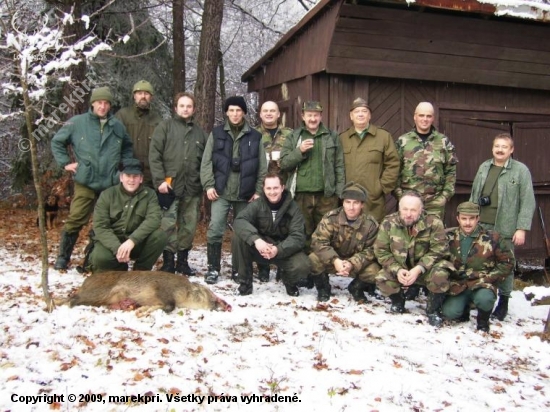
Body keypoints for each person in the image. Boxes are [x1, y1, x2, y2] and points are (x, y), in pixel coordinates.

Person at [51, 86, 133, 270]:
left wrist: (124, 169)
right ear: (93, 103)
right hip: (85, 180)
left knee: (105, 221)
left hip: (110, 182)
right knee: (76, 217)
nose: (102, 106)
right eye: (99, 103)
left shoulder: (117, 125)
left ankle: (91, 258)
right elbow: (57, 141)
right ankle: (63, 257)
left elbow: (127, 147)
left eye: (106, 103)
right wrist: (65, 163)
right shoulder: (77, 122)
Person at [200, 96, 267, 284]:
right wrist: (209, 185)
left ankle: (239, 269)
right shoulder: (216, 133)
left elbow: (262, 166)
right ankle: (213, 268)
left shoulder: (255, 136)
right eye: (231, 110)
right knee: (215, 228)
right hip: (221, 191)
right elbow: (206, 162)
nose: (235, 114)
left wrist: (258, 190)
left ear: (244, 112)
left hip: (245, 194)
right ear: (227, 112)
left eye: (239, 110)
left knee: (242, 232)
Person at [470, 133, 535, 321]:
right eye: (497, 146)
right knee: (479, 261)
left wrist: (521, 228)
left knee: (505, 265)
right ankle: (480, 297)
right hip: (482, 225)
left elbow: (527, 201)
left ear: (511, 150)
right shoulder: (484, 167)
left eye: (504, 147)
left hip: (505, 227)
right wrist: (470, 219)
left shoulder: (520, 171)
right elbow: (475, 195)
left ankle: (503, 301)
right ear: (492, 148)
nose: (500, 149)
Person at [149, 92, 208, 275]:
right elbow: (155, 155)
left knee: (188, 226)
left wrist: (203, 183)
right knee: (167, 224)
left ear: (194, 109)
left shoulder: (200, 133)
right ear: (176, 108)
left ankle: (183, 261)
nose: (185, 109)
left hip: (192, 187)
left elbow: (206, 161)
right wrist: (159, 180)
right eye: (182, 106)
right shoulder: (164, 127)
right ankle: (168, 261)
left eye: (189, 106)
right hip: (169, 186)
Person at [374, 191, 453, 326]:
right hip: (401, 269)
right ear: (399, 208)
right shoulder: (388, 223)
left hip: (425, 270)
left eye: (413, 210)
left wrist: (419, 268)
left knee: (440, 274)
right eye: (405, 209)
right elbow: (381, 251)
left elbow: (439, 250)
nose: (408, 214)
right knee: (382, 278)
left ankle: (433, 310)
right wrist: (397, 269)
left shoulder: (434, 223)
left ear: (421, 210)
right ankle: (398, 302)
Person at [232, 172, 311, 296]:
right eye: (268, 188)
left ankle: (289, 281)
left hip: (283, 250)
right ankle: (245, 283)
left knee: (303, 266)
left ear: (282, 188)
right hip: (261, 248)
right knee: (239, 237)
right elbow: (239, 221)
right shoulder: (257, 204)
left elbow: (298, 237)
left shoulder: (293, 208)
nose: (272, 192)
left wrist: (277, 249)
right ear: (263, 189)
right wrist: (257, 240)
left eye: (275, 188)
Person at [280, 101, 345, 249]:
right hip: (301, 196)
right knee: (302, 233)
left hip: (327, 196)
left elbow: (339, 165)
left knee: (327, 234)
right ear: (303, 116)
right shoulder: (294, 136)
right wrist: (299, 151)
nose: (313, 119)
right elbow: (284, 164)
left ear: (321, 116)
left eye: (316, 115)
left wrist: (339, 193)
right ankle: (306, 267)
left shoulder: (332, 136)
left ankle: (321, 268)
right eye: (309, 115)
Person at [442, 202, 515, 332]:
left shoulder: (492, 238)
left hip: (482, 283)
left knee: (485, 299)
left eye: (471, 219)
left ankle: (483, 320)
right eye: (464, 219)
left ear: (478, 218)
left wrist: (489, 278)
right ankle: (464, 310)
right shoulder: (448, 236)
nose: (467, 223)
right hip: (458, 284)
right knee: (450, 313)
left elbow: (508, 262)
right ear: (458, 218)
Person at [88, 158, 167, 273]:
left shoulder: (150, 195)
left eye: (135, 176)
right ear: (121, 177)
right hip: (112, 241)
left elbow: (153, 219)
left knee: (160, 236)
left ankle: (140, 270)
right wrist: (117, 248)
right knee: (100, 258)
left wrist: (132, 240)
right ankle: (120, 267)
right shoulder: (107, 195)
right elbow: (101, 226)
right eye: (128, 176)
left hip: (136, 242)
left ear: (141, 179)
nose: (131, 180)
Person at [309, 182, 381, 302]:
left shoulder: (371, 224)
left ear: (362, 204)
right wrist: (335, 260)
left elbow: (372, 250)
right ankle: (323, 288)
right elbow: (318, 241)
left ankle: (356, 288)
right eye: (348, 202)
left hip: (355, 264)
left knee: (375, 271)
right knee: (313, 259)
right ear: (343, 202)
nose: (351, 207)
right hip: (332, 261)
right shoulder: (330, 218)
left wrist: (352, 263)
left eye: (356, 203)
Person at [339, 98, 399, 223]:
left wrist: (381, 187)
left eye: (364, 111)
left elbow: (393, 163)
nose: (360, 114)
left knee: (374, 232)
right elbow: (336, 166)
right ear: (351, 116)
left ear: (369, 115)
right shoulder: (342, 138)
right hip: (349, 199)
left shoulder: (383, 137)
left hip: (373, 199)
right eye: (356, 111)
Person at [395, 102, 458, 219]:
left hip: (435, 203)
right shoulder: (403, 141)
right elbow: (394, 170)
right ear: (415, 116)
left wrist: (444, 196)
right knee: (407, 235)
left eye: (428, 116)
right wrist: (400, 196)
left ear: (433, 118)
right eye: (421, 115)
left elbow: (451, 171)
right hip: (409, 203)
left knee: (434, 236)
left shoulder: (443, 142)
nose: (425, 119)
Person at [256, 101, 293, 282]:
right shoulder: (253, 135)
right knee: (263, 227)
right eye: (265, 111)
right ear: (260, 114)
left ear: (279, 114)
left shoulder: (289, 135)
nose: (269, 113)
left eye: (273, 110)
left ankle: (282, 265)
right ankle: (263, 266)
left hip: (283, 190)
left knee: (283, 227)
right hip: (262, 190)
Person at [115, 80, 162, 187]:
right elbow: (113, 144)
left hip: (148, 175)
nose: (143, 96)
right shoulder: (122, 115)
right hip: (126, 172)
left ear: (151, 97)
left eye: (146, 93)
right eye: (139, 93)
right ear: (134, 96)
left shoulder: (157, 120)